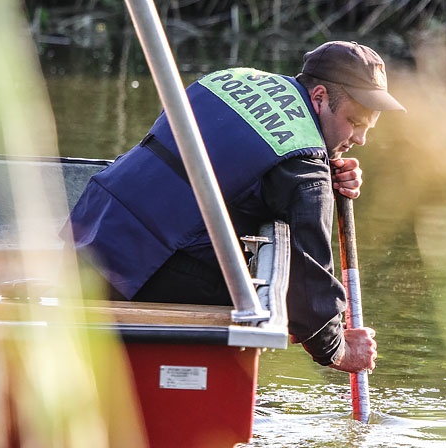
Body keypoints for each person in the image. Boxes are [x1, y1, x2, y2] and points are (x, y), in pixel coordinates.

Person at [64, 41, 405, 373]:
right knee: (256, 296)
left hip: (89, 227)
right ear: (319, 98)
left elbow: (231, 156)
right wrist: (338, 348)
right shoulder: (304, 166)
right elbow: (310, 275)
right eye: (355, 123)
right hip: (139, 265)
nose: (360, 139)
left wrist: (325, 162)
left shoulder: (232, 80)